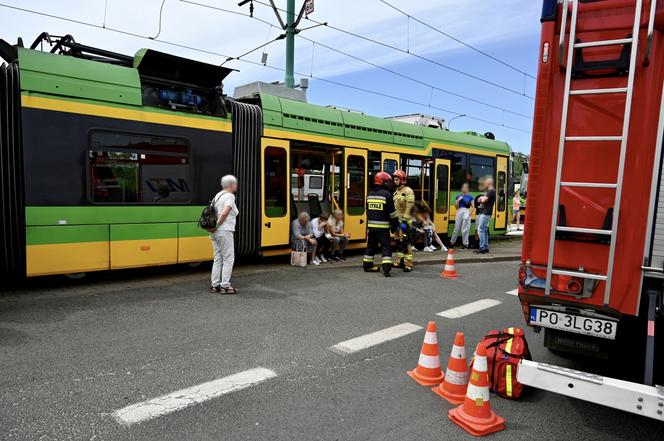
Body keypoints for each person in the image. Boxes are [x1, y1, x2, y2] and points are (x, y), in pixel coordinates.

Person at [363, 171, 399, 276]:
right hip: (383, 228)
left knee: (370, 246)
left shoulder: (369, 194)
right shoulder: (387, 194)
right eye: (387, 182)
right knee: (385, 247)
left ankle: (367, 266)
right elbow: (392, 213)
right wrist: (395, 226)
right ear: (382, 182)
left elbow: (367, 210)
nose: (389, 184)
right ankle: (386, 269)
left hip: (371, 227)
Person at [209, 175, 240, 294]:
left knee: (218, 258)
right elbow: (224, 213)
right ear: (231, 185)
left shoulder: (217, 195)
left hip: (215, 232)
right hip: (224, 230)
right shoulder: (230, 196)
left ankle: (215, 284)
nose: (236, 186)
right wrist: (217, 225)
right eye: (235, 184)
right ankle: (225, 286)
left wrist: (213, 227)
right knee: (228, 258)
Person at [392, 169, 416, 272]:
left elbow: (409, 207)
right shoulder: (396, 192)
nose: (395, 181)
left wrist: (405, 221)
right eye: (394, 179)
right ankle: (400, 261)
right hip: (397, 221)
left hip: (405, 221)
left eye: (397, 179)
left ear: (402, 180)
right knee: (398, 242)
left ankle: (408, 264)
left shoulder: (408, 191)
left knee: (406, 242)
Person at [450, 183, 474, 249]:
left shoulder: (470, 197)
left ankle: (465, 244)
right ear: (461, 189)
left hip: (467, 211)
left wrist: (469, 213)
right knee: (456, 228)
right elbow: (456, 207)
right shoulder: (458, 196)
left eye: (466, 188)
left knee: (465, 229)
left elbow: (473, 206)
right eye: (463, 187)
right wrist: (458, 201)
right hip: (459, 211)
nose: (464, 189)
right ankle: (452, 243)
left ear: (468, 189)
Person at [476, 176, 496, 254]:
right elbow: (479, 200)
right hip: (485, 212)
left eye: (485, 182)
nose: (484, 184)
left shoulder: (491, 191)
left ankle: (482, 248)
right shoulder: (489, 191)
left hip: (485, 213)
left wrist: (481, 198)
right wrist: (481, 198)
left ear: (488, 183)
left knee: (480, 229)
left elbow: (482, 200)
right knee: (484, 230)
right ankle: (485, 247)